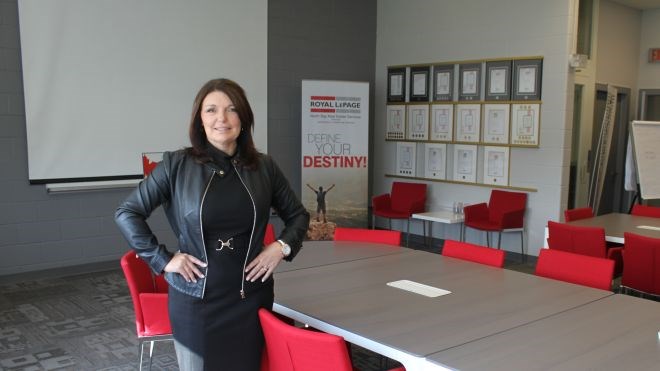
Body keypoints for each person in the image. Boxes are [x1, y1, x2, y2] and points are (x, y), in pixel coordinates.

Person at [115, 78, 310, 371]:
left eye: (231, 109)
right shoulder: (176, 165)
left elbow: (298, 215)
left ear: (243, 119)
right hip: (195, 301)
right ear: (199, 119)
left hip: (251, 297)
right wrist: (163, 259)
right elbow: (127, 212)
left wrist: (280, 247)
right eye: (211, 110)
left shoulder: (264, 167)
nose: (222, 118)